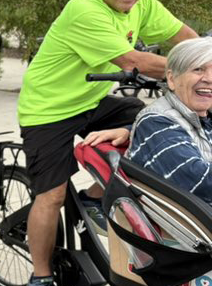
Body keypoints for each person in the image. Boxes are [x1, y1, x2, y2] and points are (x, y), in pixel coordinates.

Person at [17, 0, 198, 286]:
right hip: (47, 109)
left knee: (152, 123)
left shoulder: (141, 2)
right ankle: (40, 278)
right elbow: (131, 59)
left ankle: (96, 195)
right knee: (51, 195)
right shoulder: (85, 10)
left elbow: (184, 35)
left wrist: (203, 56)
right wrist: (190, 72)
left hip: (91, 100)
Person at [87, 38, 212, 204]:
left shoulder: (200, 116)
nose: (209, 78)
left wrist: (130, 129)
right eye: (198, 69)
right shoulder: (157, 123)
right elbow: (201, 183)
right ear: (172, 79)